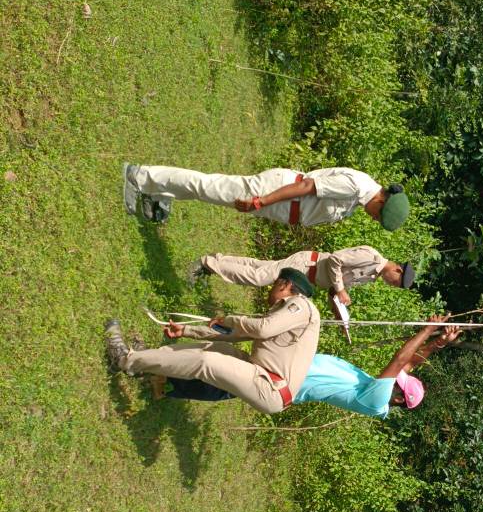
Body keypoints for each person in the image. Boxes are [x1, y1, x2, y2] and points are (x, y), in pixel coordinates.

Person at [151, 315, 461, 419]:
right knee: (230, 372)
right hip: (289, 369)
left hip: (286, 381)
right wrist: (438, 343)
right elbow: (409, 363)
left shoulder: (377, 400)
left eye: (399, 386)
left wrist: (426, 329)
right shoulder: (380, 389)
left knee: (228, 380)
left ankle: (167, 381)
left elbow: (399, 360)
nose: (397, 380)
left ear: (398, 399)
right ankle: (168, 379)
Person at [104, 269, 319, 415]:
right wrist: (187, 330)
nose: (269, 290)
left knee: (206, 362)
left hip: (271, 389)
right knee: (220, 349)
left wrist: (229, 319)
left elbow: (262, 329)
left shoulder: (301, 305)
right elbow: (232, 333)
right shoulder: (283, 316)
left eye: (274, 285)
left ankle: (123, 360)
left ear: (285, 284)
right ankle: (147, 363)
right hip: (263, 377)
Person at [122, 163, 410, 230]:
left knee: (207, 192)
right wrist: (261, 201)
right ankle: (139, 176)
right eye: (378, 216)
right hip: (278, 193)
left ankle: (156, 194)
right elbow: (307, 187)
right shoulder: (356, 187)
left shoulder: (360, 197)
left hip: (281, 204)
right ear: (381, 201)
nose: (374, 219)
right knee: (207, 186)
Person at [186, 245, 415, 306]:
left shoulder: (372, 276)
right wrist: (341, 289)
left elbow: (337, 282)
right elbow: (335, 259)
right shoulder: (372, 257)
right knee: (259, 278)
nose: (391, 284)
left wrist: (337, 302)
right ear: (398, 270)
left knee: (259, 267)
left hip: (308, 276)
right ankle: (206, 264)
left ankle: (216, 261)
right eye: (396, 282)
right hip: (306, 265)